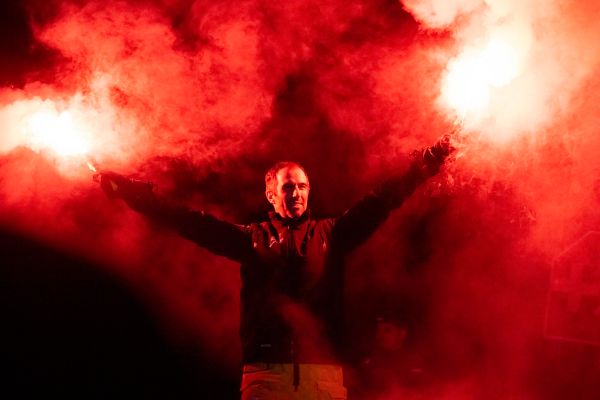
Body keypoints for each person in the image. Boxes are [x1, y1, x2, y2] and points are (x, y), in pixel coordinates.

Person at [96, 136, 453, 400]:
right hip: (265, 376)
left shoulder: (334, 234)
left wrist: (425, 163)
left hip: (323, 377)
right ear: (271, 194)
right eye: (287, 187)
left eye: (302, 187)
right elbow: (188, 221)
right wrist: (132, 193)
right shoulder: (250, 240)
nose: (296, 193)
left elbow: (381, 201)